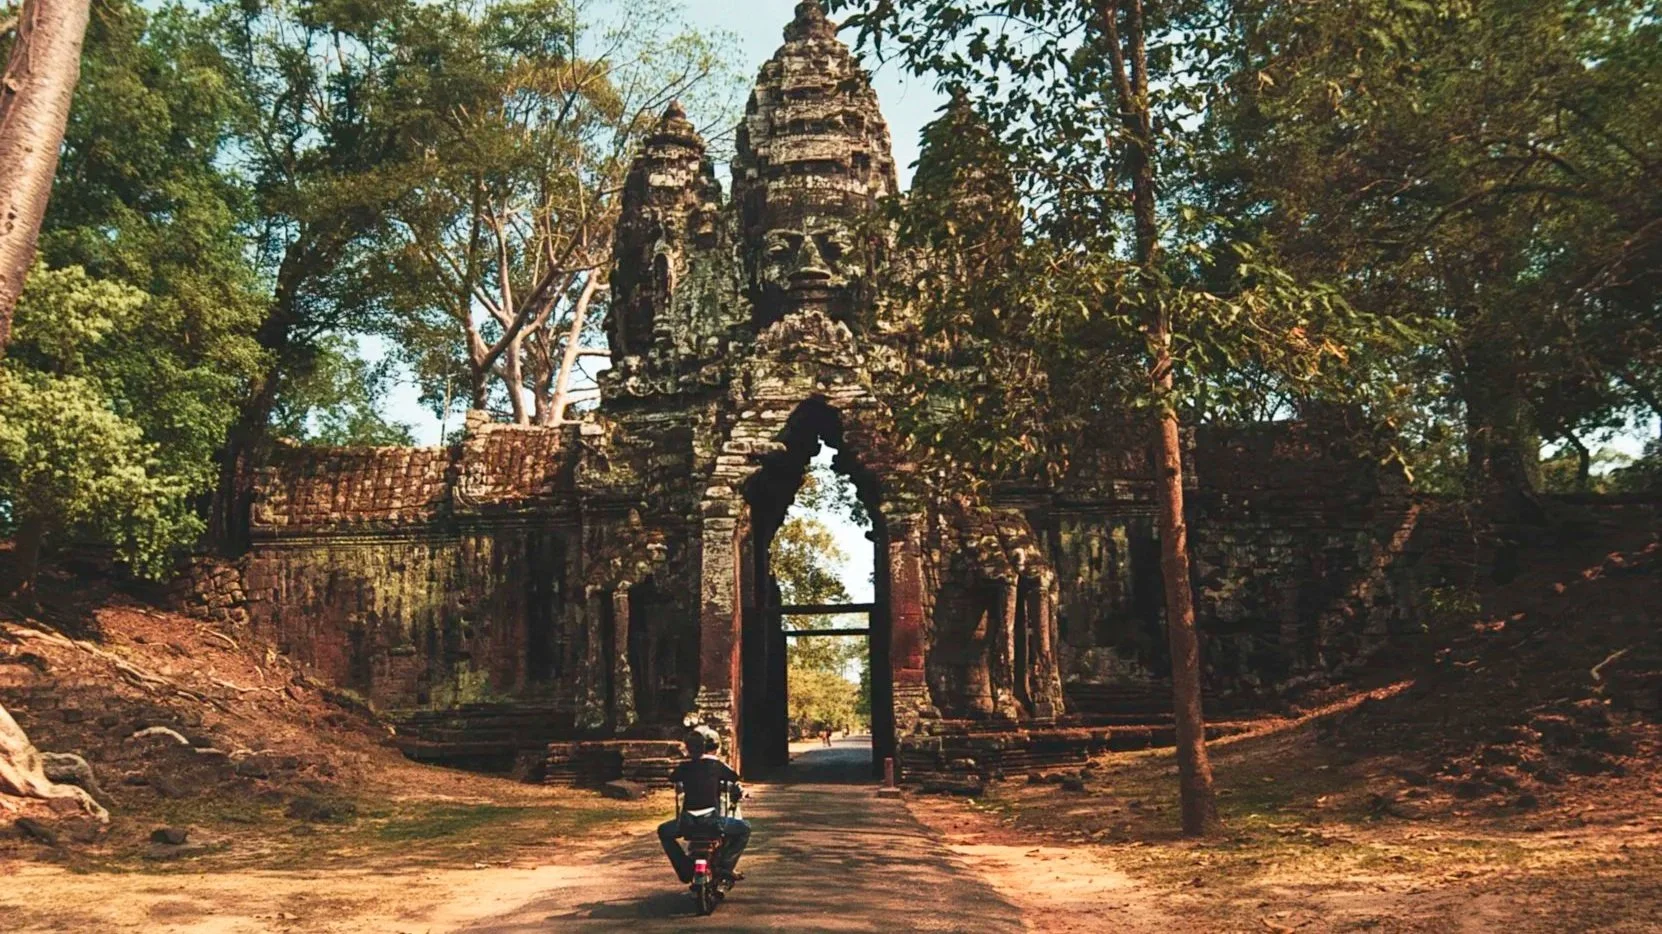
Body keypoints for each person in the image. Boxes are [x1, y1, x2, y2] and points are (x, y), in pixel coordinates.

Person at [658, 726, 750, 885]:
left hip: (687, 823)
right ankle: (726, 867)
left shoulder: (684, 767)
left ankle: (684, 868)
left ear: (687, 749)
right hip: (712, 822)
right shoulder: (716, 766)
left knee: (663, 831)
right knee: (745, 828)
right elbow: (735, 778)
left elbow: (673, 778)